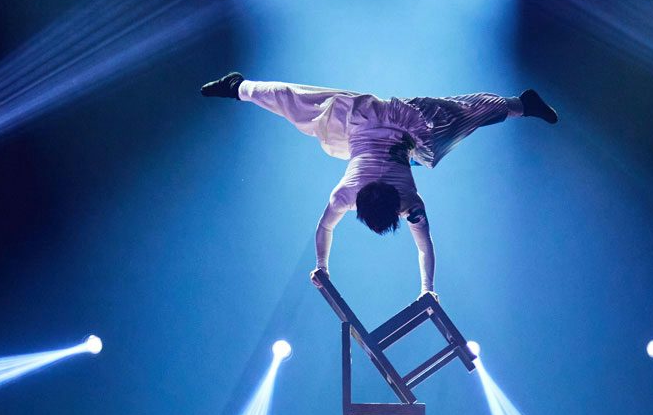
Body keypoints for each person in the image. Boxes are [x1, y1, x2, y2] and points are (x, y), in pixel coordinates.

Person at [201, 72, 557, 295]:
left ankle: (240, 87)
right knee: (298, 101)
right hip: (382, 123)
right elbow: (327, 230)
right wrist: (322, 266)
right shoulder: (369, 198)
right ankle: (239, 87)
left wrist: (428, 290)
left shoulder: (403, 203)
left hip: (382, 123)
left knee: (460, 113)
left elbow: (418, 245)